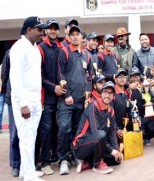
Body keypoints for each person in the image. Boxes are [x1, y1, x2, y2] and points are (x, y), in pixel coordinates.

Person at [10, 16, 49, 181]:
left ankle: (27, 170)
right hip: (24, 99)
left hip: (34, 98)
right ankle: (30, 176)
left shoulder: (34, 48)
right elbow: (15, 78)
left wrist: (38, 100)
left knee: (31, 137)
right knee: (26, 137)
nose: (43, 32)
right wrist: (22, 104)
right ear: (29, 30)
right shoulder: (18, 48)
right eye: (39, 29)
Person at [57, 25, 92, 175]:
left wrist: (88, 92)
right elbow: (60, 75)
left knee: (79, 130)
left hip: (81, 100)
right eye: (73, 34)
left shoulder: (87, 55)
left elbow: (89, 75)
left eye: (78, 34)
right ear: (69, 37)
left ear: (82, 38)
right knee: (65, 128)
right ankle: (63, 159)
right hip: (67, 100)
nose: (76, 37)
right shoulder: (64, 52)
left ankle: (76, 155)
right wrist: (67, 95)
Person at [72, 81, 123, 174]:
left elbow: (111, 133)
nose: (108, 96)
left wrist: (116, 150)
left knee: (116, 160)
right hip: (81, 146)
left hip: (97, 144)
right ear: (101, 93)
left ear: (113, 96)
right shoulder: (94, 106)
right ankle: (97, 164)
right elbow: (96, 132)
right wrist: (111, 150)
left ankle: (88, 163)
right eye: (106, 92)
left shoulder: (111, 110)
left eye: (111, 93)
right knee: (100, 134)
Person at [37, 18, 65, 175]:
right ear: (46, 31)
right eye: (50, 28)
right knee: (46, 130)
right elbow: (38, 76)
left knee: (57, 128)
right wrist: (53, 87)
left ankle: (55, 156)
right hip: (46, 97)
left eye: (56, 28)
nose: (53, 31)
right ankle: (44, 161)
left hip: (60, 97)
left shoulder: (61, 47)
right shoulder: (40, 48)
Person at [1, 49, 21, 177]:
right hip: (13, 99)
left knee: (29, 134)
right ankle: (15, 164)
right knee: (14, 134)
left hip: (29, 99)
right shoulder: (11, 53)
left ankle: (29, 163)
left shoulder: (34, 51)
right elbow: (5, 76)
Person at [129, 67, 154, 145]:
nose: (135, 78)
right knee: (139, 123)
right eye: (133, 76)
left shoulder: (145, 85)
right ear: (130, 78)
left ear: (140, 77)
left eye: (137, 76)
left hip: (147, 114)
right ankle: (143, 137)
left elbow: (152, 99)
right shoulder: (128, 88)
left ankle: (147, 137)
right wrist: (129, 86)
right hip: (136, 114)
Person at [114, 69, 133, 141]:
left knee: (137, 121)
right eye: (119, 77)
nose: (122, 79)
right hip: (115, 128)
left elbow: (130, 108)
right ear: (115, 79)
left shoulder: (127, 92)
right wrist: (116, 129)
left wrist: (135, 117)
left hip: (125, 125)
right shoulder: (112, 93)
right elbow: (109, 115)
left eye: (124, 77)